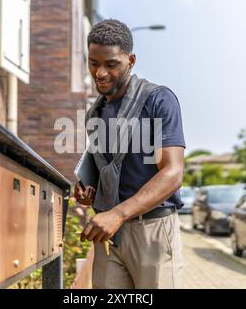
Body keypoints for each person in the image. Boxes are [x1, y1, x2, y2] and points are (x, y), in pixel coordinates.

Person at [74, 19, 185, 289]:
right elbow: (106, 170)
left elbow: (172, 173)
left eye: (111, 64)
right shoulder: (95, 114)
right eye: (93, 63)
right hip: (109, 237)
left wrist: (118, 214)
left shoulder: (159, 100)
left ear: (131, 60)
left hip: (152, 231)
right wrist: (90, 191)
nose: (100, 73)